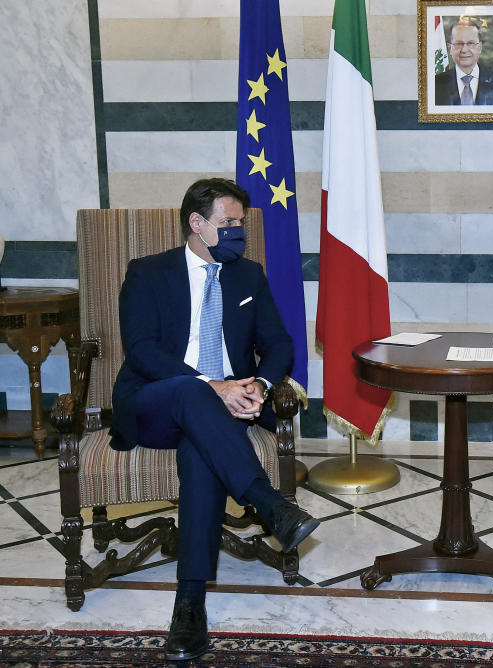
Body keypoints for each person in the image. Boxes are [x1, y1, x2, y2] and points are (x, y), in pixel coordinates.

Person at [110, 178, 321, 662]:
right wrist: (215, 386)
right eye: (227, 224)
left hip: (228, 408)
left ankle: (189, 605)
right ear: (197, 224)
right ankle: (269, 505)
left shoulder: (249, 275)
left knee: (200, 452)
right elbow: (141, 351)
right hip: (154, 402)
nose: (237, 233)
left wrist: (260, 386)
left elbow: (280, 344)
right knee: (190, 391)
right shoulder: (147, 272)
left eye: (240, 225)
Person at [435, 20, 493, 106]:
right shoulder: (435, 85)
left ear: (480, 47)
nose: (464, 50)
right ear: (450, 48)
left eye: (471, 43)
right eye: (459, 43)